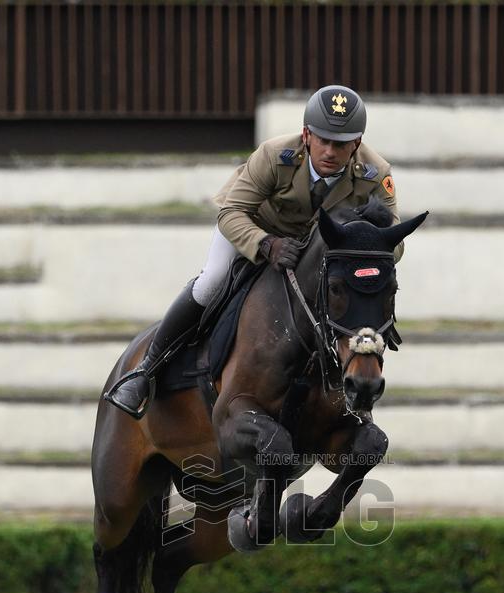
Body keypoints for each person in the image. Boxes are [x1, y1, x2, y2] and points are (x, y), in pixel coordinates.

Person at [106, 85, 404, 418]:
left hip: (318, 252)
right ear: (307, 135)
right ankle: (147, 369)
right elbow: (231, 213)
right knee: (212, 280)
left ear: (357, 144)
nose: (330, 152)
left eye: (341, 144)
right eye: (323, 140)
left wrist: (363, 251)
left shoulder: (375, 174)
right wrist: (266, 244)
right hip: (253, 228)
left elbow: (393, 244)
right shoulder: (275, 156)